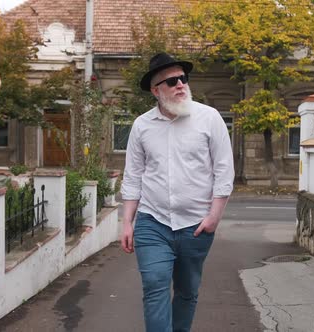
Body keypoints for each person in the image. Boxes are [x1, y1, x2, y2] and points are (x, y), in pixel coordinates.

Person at [120, 52, 234, 332]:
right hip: (152, 222)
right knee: (155, 286)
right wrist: (127, 222)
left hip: (196, 226)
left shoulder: (210, 118)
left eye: (183, 78)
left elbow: (224, 170)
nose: (180, 84)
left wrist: (214, 217)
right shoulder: (142, 126)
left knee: (187, 291)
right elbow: (133, 176)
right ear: (155, 90)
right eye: (171, 81)